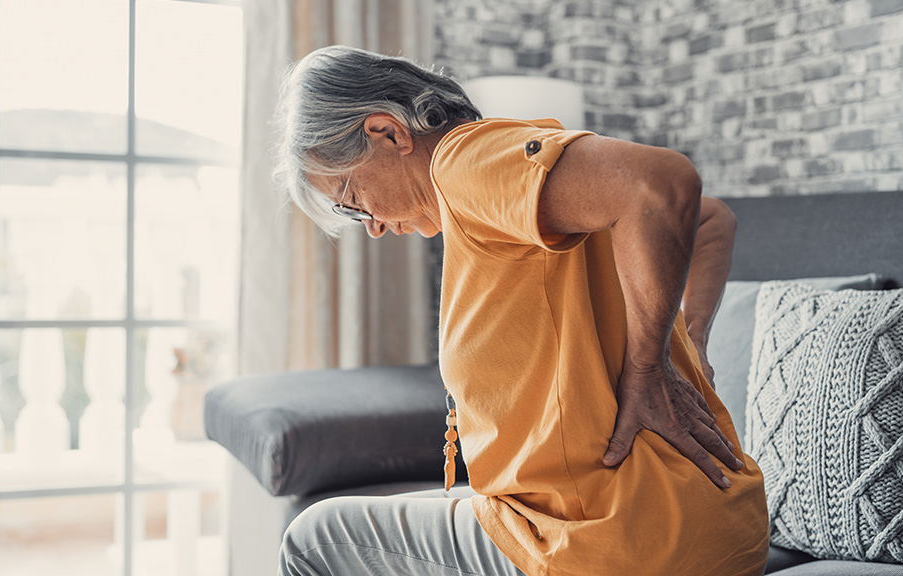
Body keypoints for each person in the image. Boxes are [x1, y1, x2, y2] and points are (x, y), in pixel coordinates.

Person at [273, 45, 770, 576]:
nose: (369, 224)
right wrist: (689, 346)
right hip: (713, 530)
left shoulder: (464, 163)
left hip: (613, 544)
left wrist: (651, 369)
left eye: (351, 195)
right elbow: (712, 221)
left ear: (388, 132)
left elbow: (663, 184)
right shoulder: (529, 187)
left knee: (312, 540)